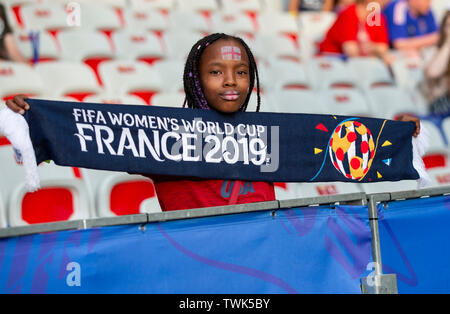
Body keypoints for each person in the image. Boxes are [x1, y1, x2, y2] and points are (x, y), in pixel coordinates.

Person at [4, 33, 421, 211]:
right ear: (194, 78)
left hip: (265, 259)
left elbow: (346, 144)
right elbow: (95, 133)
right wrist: (35, 118)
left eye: (241, 74)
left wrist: (400, 134)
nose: (231, 82)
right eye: (216, 71)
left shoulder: (275, 133)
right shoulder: (161, 133)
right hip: (191, 266)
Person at [318, 0, 392, 64]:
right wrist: (373, 49)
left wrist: (370, 48)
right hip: (332, 61)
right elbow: (351, 50)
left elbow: (383, 48)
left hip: (357, 63)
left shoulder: (379, 18)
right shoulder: (349, 13)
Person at [423, 10, 450, 113]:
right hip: (439, 103)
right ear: (443, 29)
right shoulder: (433, 51)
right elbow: (433, 72)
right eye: (448, 26)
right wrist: (448, 43)